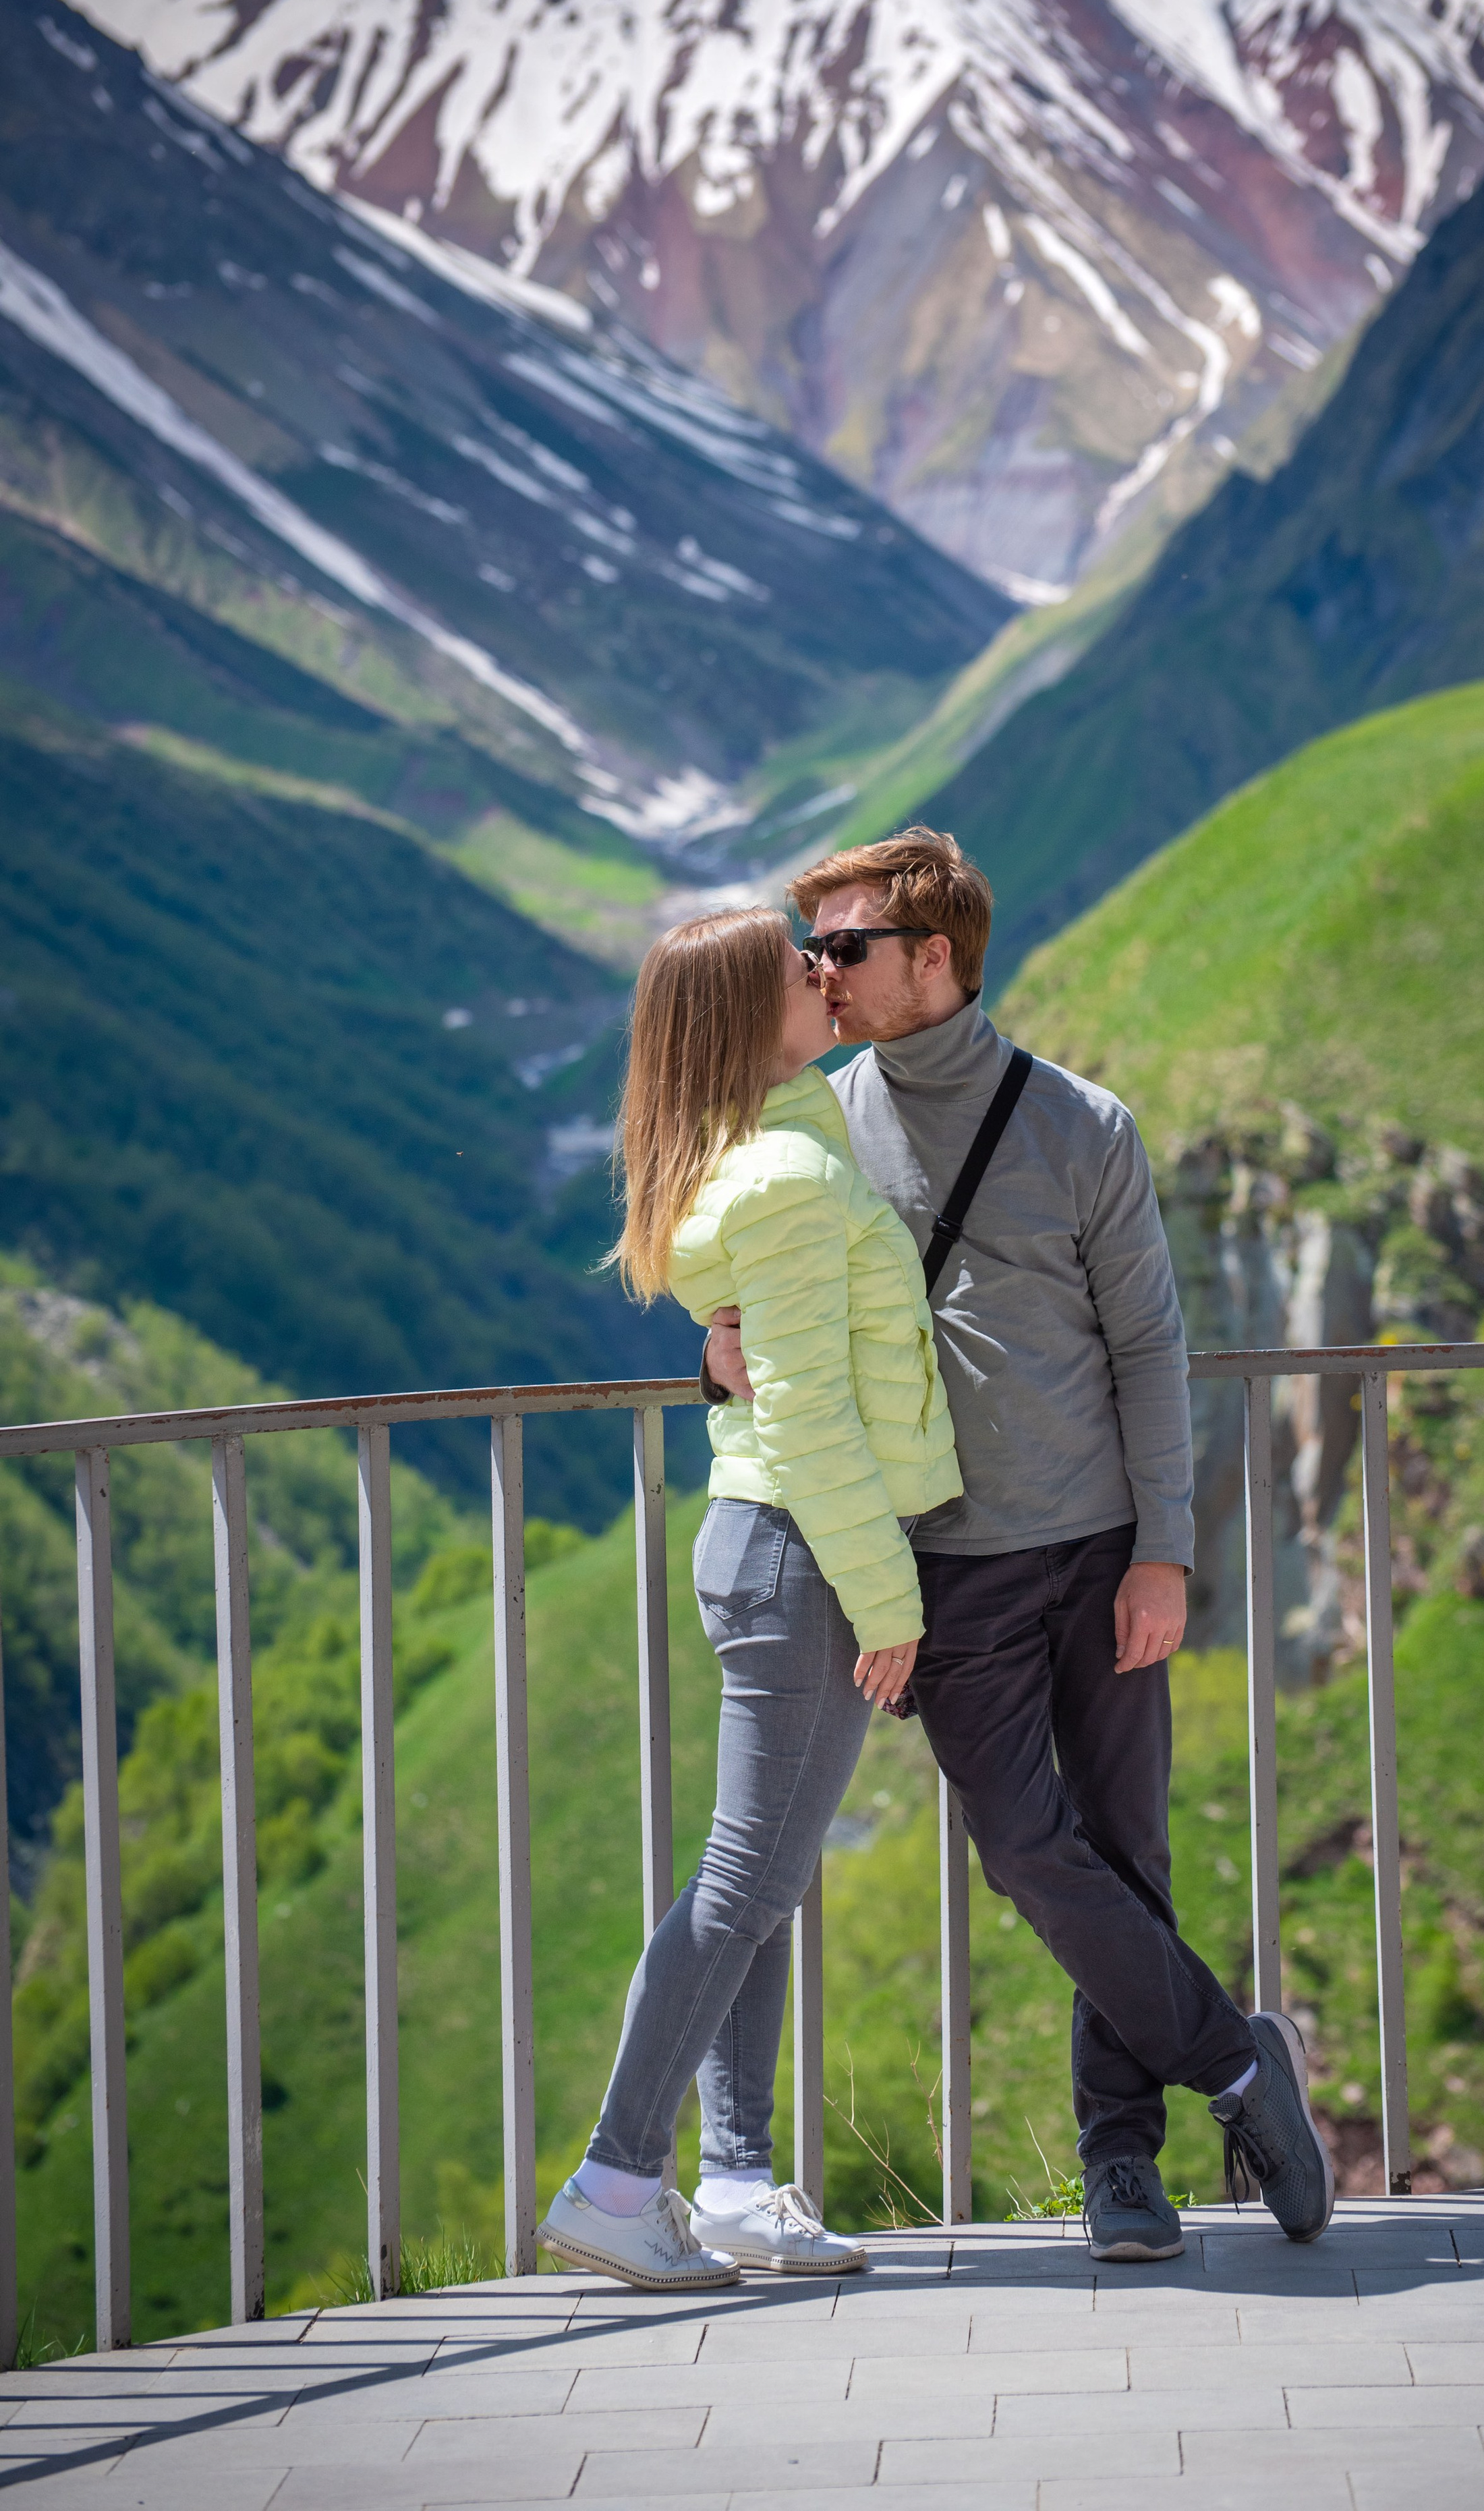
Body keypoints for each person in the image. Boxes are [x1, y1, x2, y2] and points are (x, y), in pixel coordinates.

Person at [704, 830, 1334, 2258]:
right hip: (945, 1568)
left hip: (1102, 1545)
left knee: (1122, 1844)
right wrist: (712, 1356)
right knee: (1027, 1851)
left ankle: (1123, 2161)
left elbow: (1150, 1350)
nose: (821, 973)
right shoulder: (809, 1123)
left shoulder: (1080, 1125)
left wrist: (1162, 1550)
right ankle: (1237, 2063)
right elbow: (751, 1296)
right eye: (814, 952)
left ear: (936, 957)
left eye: (845, 948)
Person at [536, 905, 963, 2291]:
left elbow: (765, 1346)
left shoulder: (781, 1140)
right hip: (806, 1547)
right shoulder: (782, 1172)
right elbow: (814, 1420)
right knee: (744, 1884)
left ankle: (726, 2183)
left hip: (785, 1543)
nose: (825, 977)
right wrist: (888, 1597)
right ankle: (614, 2177)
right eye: (802, 969)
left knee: (759, 1886)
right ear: (747, 1018)